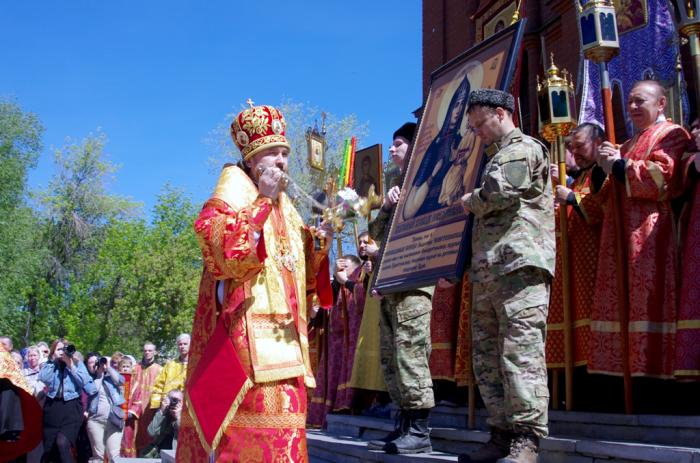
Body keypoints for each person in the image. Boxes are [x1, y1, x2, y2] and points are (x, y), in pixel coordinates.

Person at [176, 101, 333, 462]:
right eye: (272, 153)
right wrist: (261, 200)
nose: (282, 161)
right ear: (252, 160)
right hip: (245, 353)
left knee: (288, 437)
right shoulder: (231, 196)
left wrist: (318, 244)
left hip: (288, 345)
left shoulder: (287, 208)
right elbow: (223, 253)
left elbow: (301, 278)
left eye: (285, 153)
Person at [459, 89, 555, 463]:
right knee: (487, 357)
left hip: (520, 269)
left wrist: (469, 201)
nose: (478, 133)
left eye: (480, 124)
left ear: (500, 114)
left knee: (520, 352)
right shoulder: (492, 156)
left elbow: (500, 191)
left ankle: (527, 439)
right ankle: (501, 434)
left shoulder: (523, 148)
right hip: (490, 271)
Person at [590, 80, 690, 378]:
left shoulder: (671, 135)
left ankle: (654, 376)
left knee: (649, 300)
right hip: (619, 233)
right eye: (630, 101)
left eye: (640, 101)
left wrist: (619, 166)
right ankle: (623, 375)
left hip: (652, 235)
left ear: (661, 103)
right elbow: (606, 194)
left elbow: (664, 179)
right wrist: (602, 167)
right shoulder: (629, 144)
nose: (632, 107)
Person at [366, 122, 435, 455]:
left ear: (413, 147)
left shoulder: (428, 178)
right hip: (390, 283)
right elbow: (375, 232)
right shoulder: (394, 187)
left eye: (397, 144)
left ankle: (421, 430)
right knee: (391, 359)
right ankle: (404, 423)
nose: (391, 150)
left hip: (414, 281)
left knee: (411, 355)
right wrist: (389, 205)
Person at [546, 123, 606, 372]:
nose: (575, 152)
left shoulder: (602, 172)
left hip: (594, 262)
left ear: (598, 144)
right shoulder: (581, 175)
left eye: (580, 146)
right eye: (572, 147)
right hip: (573, 262)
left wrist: (570, 197)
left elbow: (600, 208)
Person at [403, 75, 471, 219]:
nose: (458, 110)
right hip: (425, 206)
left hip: (446, 206)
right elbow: (419, 180)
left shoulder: (460, 140)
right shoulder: (435, 144)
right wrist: (433, 175)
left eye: (462, 105)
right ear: (450, 108)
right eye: (456, 105)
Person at [308, 255, 363, 427]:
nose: (341, 271)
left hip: (352, 338)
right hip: (334, 342)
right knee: (331, 376)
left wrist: (345, 281)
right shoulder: (337, 286)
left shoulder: (358, 282)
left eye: (345, 267)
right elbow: (325, 310)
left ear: (355, 269)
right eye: (339, 268)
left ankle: (348, 406)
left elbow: (362, 301)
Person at [39, 339, 97, 463]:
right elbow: (44, 378)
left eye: (64, 349)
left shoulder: (77, 364)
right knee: (49, 448)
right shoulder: (51, 364)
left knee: (62, 442)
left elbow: (89, 387)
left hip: (72, 408)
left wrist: (70, 365)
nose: (62, 352)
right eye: (59, 349)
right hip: (52, 408)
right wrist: (52, 360)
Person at [121, 342, 162, 457]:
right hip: (135, 409)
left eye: (150, 350)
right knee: (133, 436)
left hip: (150, 409)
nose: (147, 353)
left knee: (148, 435)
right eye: (145, 350)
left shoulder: (159, 369)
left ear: (155, 352)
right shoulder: (135, 368)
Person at [85, 352, 125, 463]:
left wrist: (108, 367)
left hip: (114, 420)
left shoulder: (111, 376)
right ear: (87, 365)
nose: (94, 364)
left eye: (96, 361)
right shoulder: (88, 378)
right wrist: (99, 375)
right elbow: (91, 390)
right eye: (91, 362)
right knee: (98, 456)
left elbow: (121, 381)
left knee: (114, 456)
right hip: (95, 421)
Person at [150, 334, 189, 410]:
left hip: (186, 408)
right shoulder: (170, 365)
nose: (182, 346)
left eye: (185, 344)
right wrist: (158, 404)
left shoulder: (195, 365)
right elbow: (158, 385)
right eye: (180, 344)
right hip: (167, 405)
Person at [141, 389, 183, 458]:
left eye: (177, 400)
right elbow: (151, 432)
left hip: (175, 455)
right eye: (172, 399)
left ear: (183, 402)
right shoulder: (163, 414)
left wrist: (178, 417)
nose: (174, 402)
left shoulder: (186, 416)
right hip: (158, 454)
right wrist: (162, 411)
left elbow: (184, 437)